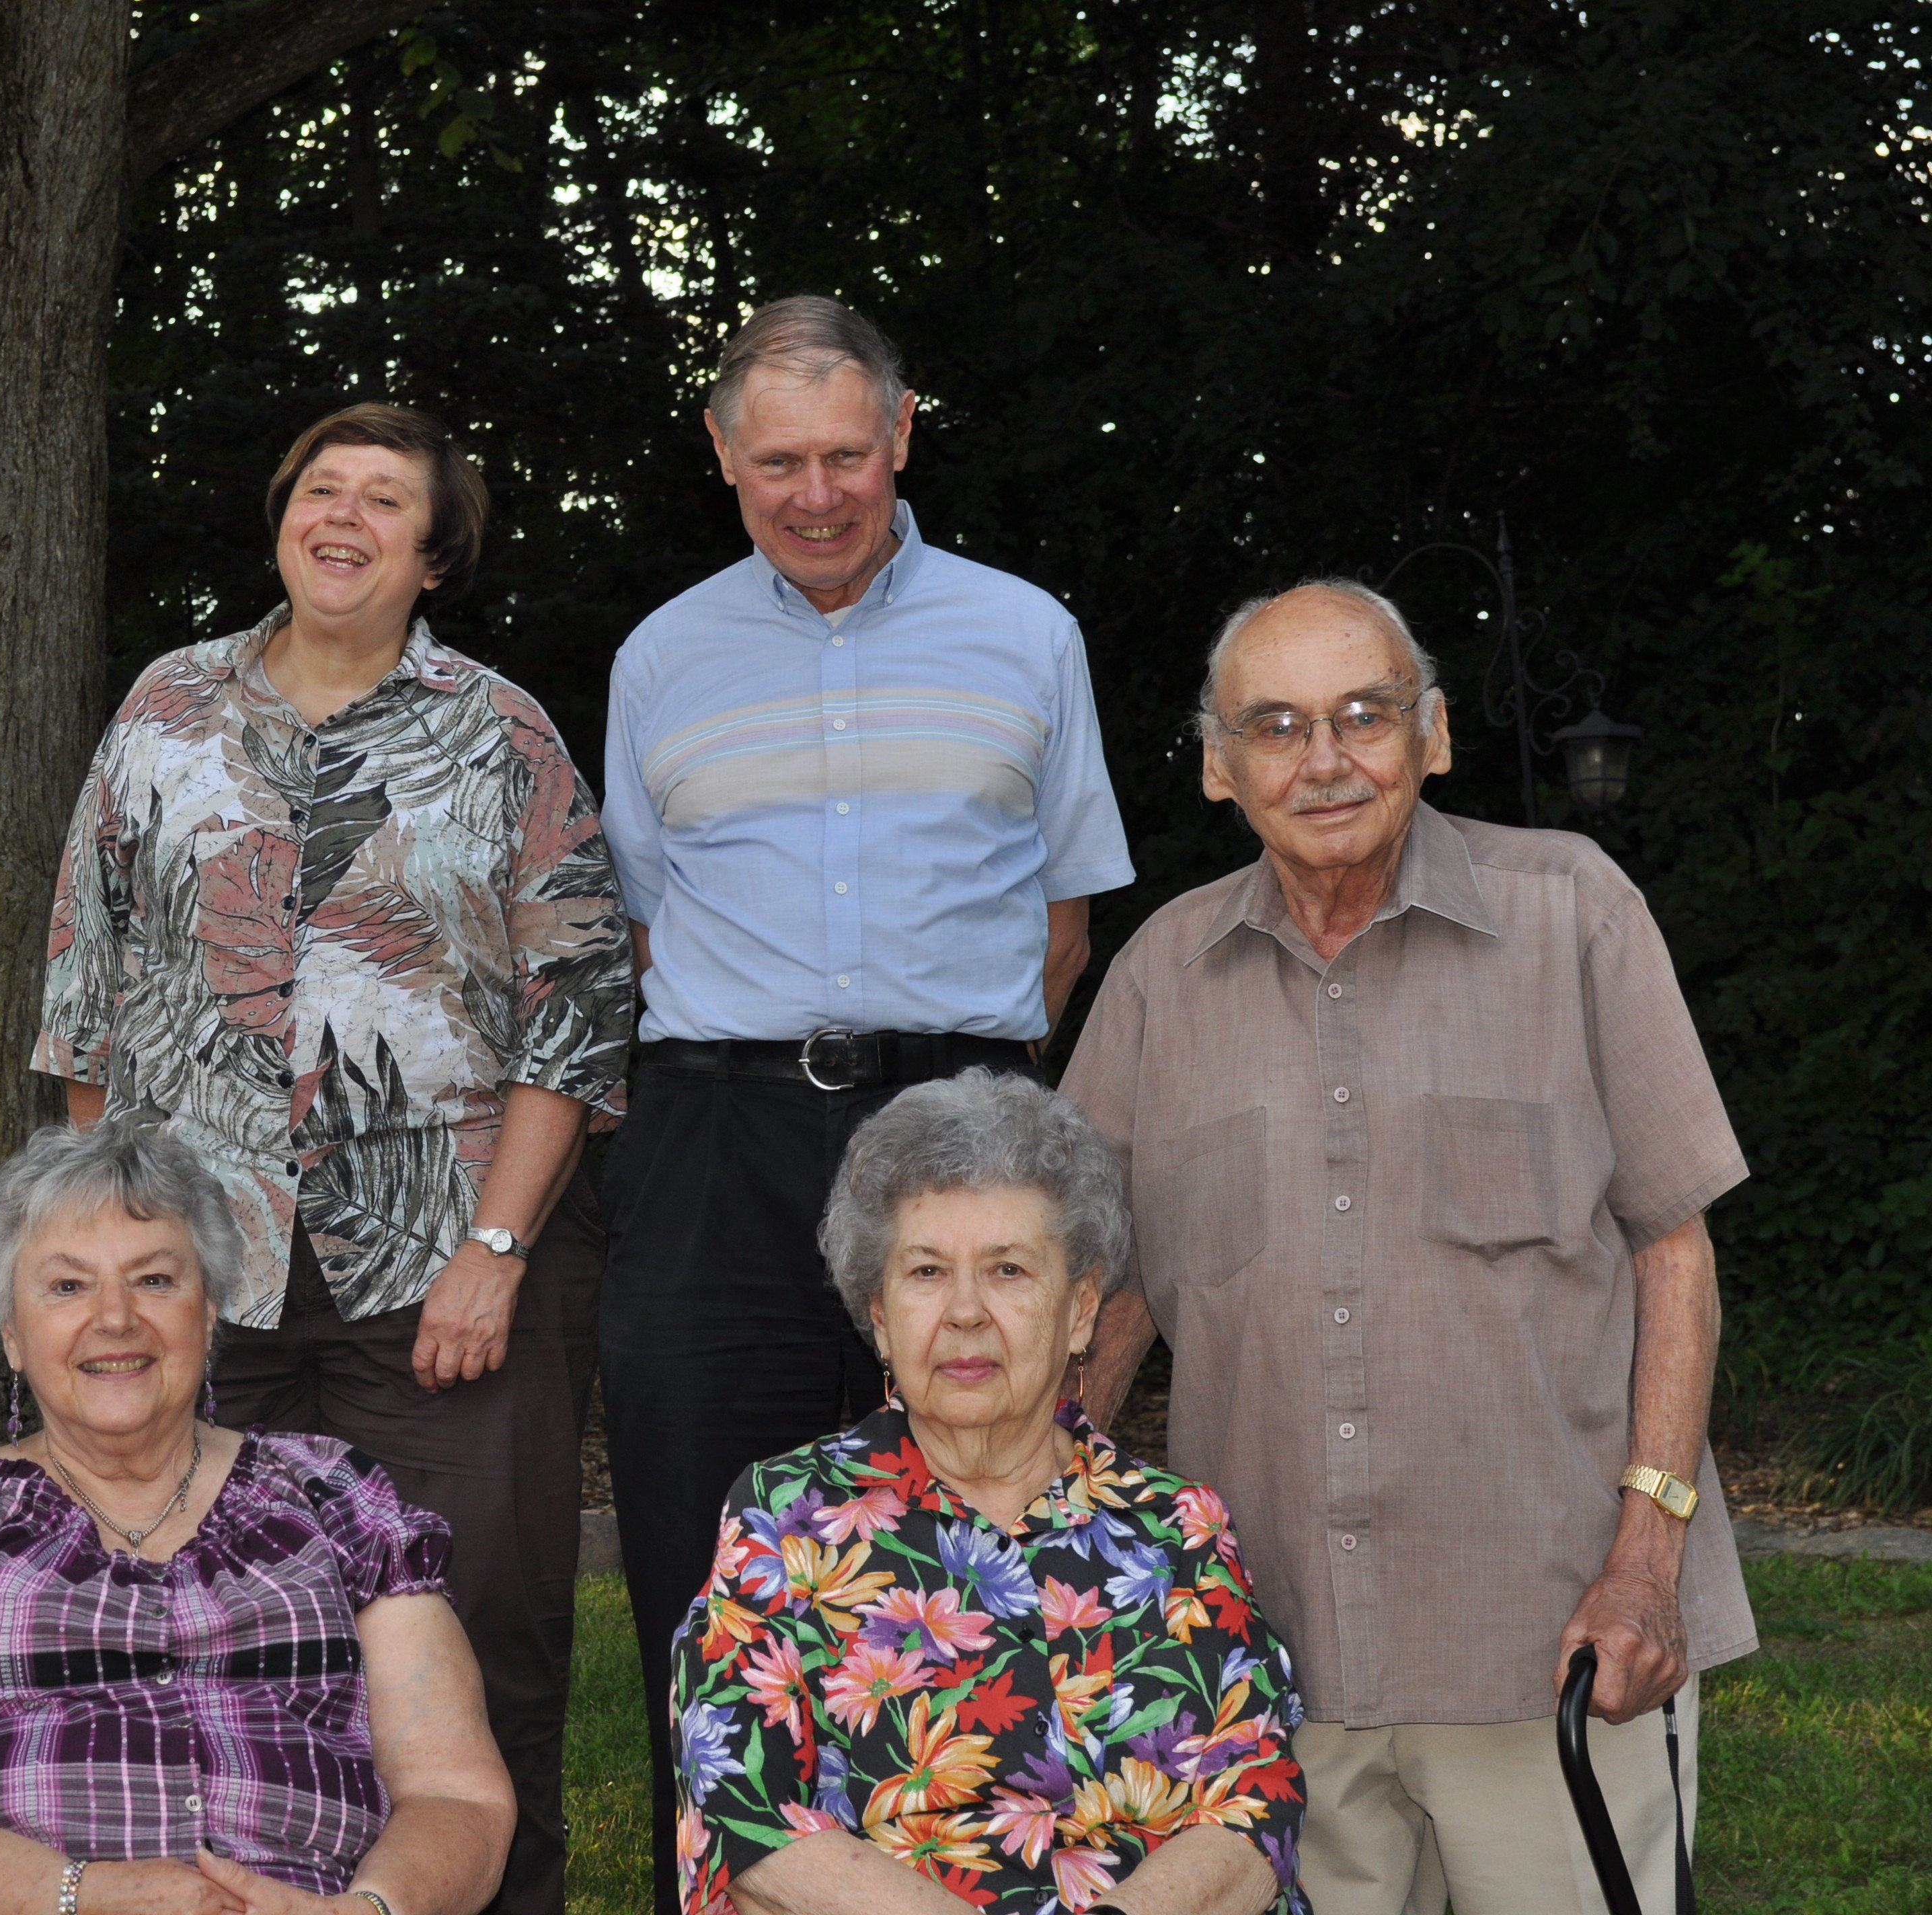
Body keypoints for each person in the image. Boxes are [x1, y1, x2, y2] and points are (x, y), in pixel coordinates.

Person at [1060, 580, 1752, 1915]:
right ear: (1215, 765)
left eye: (1362, 714)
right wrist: (1038, 1544)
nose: (1322, 758)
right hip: (1260, 1668)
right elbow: (1102, 1294)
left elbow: (1674, 1255)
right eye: (1274, 725)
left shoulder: (1572, 912)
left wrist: (1643, 1562)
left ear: (1431, 735)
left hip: (1552, 1647)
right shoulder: (1158, 974)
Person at [32, 403, 632, 1915]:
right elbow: (85, 987)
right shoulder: (164, 708)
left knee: (476, 1655)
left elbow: (577, 1007)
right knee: (202, 1650)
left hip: (443, 1281)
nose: (343, 516)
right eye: (322, 487)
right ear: (281, 515)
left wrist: (495, 1250)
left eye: (384, 499)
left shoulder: (501, 731)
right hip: (194, 1278)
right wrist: (94, 1261)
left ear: (435, 556)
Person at [597, 294, 1137, 1905]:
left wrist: (954, 1099)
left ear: (902, 432)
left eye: (844, 453)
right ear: (720, 457)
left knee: (981, 1550)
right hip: (717, 1146)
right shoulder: (657, 656)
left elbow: (1061, 926)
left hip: (960, 1135)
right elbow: (647, 923)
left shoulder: (1026, 633)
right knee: (705, 1570)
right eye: (777, 462)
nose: (815, 492)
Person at [0, 1120, 516, 1915]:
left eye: (154, 1279)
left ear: (210, 1311)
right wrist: (81, 1895)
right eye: (68, 1286)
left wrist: (368, 1910)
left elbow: (457, 1793)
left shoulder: (332, 1493)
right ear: (12, 1335)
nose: (116, 1318)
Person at [671, 1068, 1306, 1915]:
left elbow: (1256, 1800)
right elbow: (742, 1811)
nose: (965, 1312)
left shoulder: (1178, 1527)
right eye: (927, 1272)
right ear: (880, 1316)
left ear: (1081, 1310)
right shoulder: (784, 1521)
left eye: (1008, 1269)